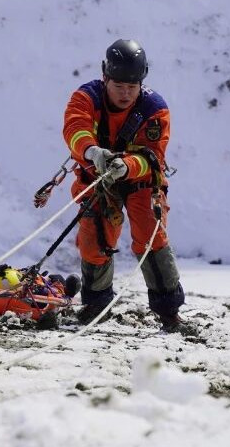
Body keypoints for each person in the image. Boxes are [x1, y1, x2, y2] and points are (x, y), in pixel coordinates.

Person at [62, 38, 185, 331]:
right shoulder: (86, 98)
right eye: (119, 86)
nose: (126, 93)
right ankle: (95, 305)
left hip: (141, 181)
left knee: (150, 237)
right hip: (99, 177)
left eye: (133, 87)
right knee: (95, 237)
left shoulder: (155, 109)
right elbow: (75, 128)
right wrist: (93, 152)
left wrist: (126, 165)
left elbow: (153, 156)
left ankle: (169, 311)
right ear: (105, 77)